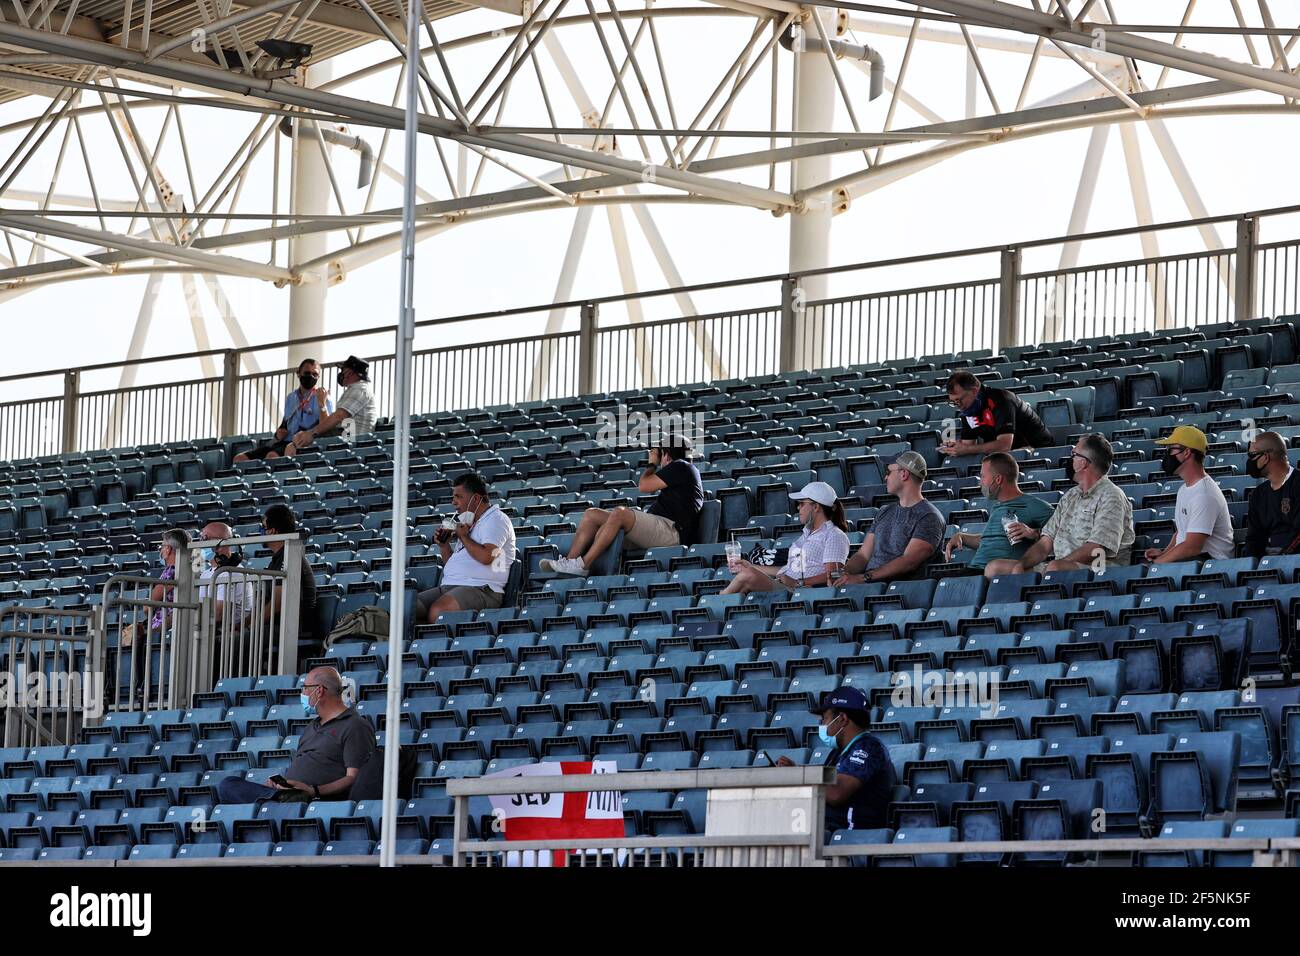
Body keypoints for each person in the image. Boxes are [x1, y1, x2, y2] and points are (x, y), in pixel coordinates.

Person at [540, 437, 702, 576]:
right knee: (592, 514)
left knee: (620, 513)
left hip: (671, 533)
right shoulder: (684, 471)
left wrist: (652, 464)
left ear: (666, 454)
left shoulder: (682, 466)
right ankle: (569, 563)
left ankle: (583, 565)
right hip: (660, 528)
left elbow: (644, 486)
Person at [215, 666, 375, 803]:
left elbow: (355, 778)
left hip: (315, 800)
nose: (303, 693)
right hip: (289, 794)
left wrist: (313, 790)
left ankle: (276, 800)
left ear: (319, 691)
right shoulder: (312, 726)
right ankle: (277, 796)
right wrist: (280, 784)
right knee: (228, 784)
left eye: (305, 688)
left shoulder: (355, 725)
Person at [982, 433, 1134, 577]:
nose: (1070, 459)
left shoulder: (1111, 496)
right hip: (1060, 568)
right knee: (994, 568)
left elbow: (1095, 549)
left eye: (1073, 455)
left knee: (1055, 569)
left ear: (1083, 463)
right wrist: (1021, 565)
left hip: (1101, 568)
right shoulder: (1070, 496)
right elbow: (1045, 544)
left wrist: (1058, 564)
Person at [776, 688, 893, 840]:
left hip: (851, 840)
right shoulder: (838, 752)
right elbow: (822, 785)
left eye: (824, 718)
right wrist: (796, 772)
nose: (822, 724)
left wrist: (798, 776)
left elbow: (836, 793)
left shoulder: (869, 748)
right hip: (828, 834)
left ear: (842, 719)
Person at [415, 473, 517, 622]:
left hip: (483, 589)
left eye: (458, 497)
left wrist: (464, 537)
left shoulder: (496, 519)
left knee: (439, 612)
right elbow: (453, 564)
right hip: (451, 585)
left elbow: (487, 557)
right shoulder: (469, 522)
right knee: (407, 608)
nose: (454, 502)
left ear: (475, 498)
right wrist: (444, 546)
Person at [721, 482, 849, 595]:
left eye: (802, 503)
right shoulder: (807, 534)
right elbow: (786, 571)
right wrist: (752, 566)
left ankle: (719, 599)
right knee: (747, 573)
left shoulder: (834, 535)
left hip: (802, 591)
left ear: (816, 507)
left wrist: (798, 582)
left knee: (747, 576)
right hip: (787, 586)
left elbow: (833, 575)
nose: (798, 508)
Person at [841, 451, 943, 583]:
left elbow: (909, 561)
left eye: (888, 472)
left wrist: (864, 577)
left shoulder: (929, 517)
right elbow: (863, 555)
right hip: (869, 585)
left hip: (897, 592)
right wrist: (844, 573)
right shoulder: (885, 511)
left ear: (904, 474)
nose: (885, 477)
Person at [944, 452, 1053, 572]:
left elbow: (1062, 533)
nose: (980, 483)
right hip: (975, 570)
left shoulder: (1033, 505)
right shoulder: (996, 506)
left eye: (983, 477)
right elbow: (990, 541)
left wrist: (1034, 533)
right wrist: (962, 537)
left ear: (998, 479)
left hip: (994, 575)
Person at [1146, 425, 1234, 563]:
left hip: (1209, 566)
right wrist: (1163, 554)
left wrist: (1158, 564)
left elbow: (1192, 547)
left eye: (1171, 449)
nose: (1167, 454)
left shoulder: (1205, 494)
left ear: (1187, 453)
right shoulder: (1184, 489)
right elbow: (1181, 533)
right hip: (1191, 562)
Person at [234, 359, 333, 462]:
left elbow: (326, 427)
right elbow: (285, 423)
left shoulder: (324, 397)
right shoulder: (291, 397)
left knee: (272, 456)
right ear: (298, 373)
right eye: (307, 373)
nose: (311, 376)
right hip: (284, 441)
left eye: (315, 374)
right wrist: (278, 434)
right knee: (240, 459)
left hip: (301, 443)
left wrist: (322, 405)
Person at [939, 371, 1054, 458]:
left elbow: (1004, 445)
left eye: (959, 400)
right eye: (953, 402)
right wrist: (956, 448)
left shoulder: (1001, 400)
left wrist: (967, 449)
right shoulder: (967, 410)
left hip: (1038, 451)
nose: (958, 405)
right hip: (1008, 456)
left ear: (974, 391)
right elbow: (967, 445)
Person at [287, 355, 376, 455]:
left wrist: (311, 434)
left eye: (343, 370)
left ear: (350, 373)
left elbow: (338, 417)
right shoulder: (355, 389)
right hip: (343, 437)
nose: (341, 374)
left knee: (295, 446)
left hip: (351, 441)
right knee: (295, 443)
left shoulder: (359, 389)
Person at [261, 504, 317, 645]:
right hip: (277, 627)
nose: (260, 532)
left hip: (290, 629)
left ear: (272, 531)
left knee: (231, 642)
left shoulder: (288, 557)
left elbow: (277, 603)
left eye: (263, 528)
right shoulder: (278, 558)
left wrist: (249, 624)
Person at [1246, 431, 1300, 557]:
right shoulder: (1258, 494)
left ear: (1265, 457)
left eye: (1251, 455)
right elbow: (1253, 539)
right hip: (1268, 564)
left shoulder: (1297, 484)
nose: (1249, 461)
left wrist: (1282, 556)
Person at [195, 520, 254, 625]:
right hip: (208, 630)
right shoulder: (206, 574)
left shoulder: (232, 572)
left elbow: (218, 614)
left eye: (205, 538)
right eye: (201, 538)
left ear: (221, 543)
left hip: (227, 635)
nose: (201, 542)